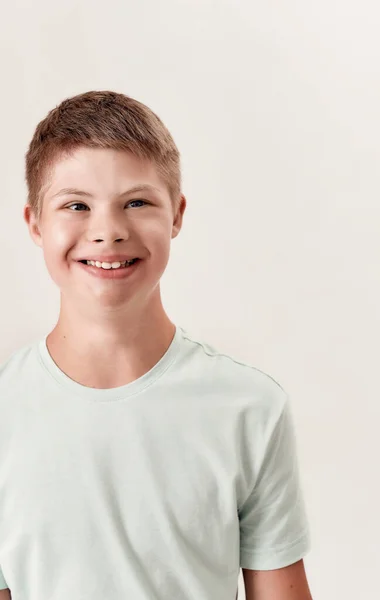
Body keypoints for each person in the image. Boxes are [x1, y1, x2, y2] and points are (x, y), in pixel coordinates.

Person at [0, 91, 313, 600]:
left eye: (137, 202)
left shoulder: (250, 408)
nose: (108, 231)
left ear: (177, 215)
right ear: (35, 223)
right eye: (76, 205)